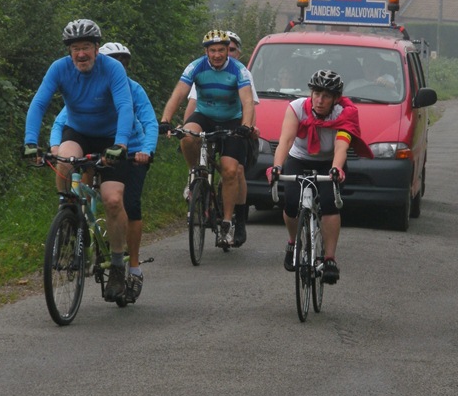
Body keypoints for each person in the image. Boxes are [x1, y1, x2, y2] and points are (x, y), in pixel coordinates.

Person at [24, 19, 135, 303]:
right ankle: (69, 217)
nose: (81, 54)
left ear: (97, 49)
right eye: (76, 48)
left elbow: (125, 106)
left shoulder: (112, 69)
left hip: (112, 138)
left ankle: (119, 265)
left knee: (112, 200)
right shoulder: (59, 68)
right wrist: (30, 142)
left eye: (86, 47)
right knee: (63, 160)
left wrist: (121, 144)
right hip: (79, 132)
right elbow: (39, 103)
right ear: (69, 51)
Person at [50, 41, 158, 302]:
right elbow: (62, 120)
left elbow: (149, 121)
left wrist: (146, 150)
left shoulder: (132, 90)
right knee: (79, 188)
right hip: (96, 148)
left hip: (130, 153)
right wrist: (55, 147)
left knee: (125, 204)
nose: (117, 66)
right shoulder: (88, 88)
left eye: (122, 62)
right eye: (112, 61)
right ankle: (76, 228)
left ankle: (131, 267)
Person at [268, 70, 372, 284]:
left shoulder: (345, 113)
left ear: (335, 99)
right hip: (299, 158)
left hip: (329, 161)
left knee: (329, 205)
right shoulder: (297, 108)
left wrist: (336, 169)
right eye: (316, 93)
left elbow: (342, 147)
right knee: (290, 204)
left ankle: (330, 258)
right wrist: (277, 167)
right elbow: (285, 141)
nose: (320, 100)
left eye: (326, 96)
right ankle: (293, 242)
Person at [159, 29, 255, 247]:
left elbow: (247, 102)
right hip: (205, 116)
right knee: (186, 134)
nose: (218, 55)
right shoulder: (196, 66)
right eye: (213, 50)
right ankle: (194, 174)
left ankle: (227, 224)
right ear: (206, 51)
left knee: (230, 170)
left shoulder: (238, 70)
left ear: (227, 50)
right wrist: (166, 119)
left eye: (222, 50)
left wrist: (246, 127)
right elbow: (179, 94)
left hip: (232, 120)